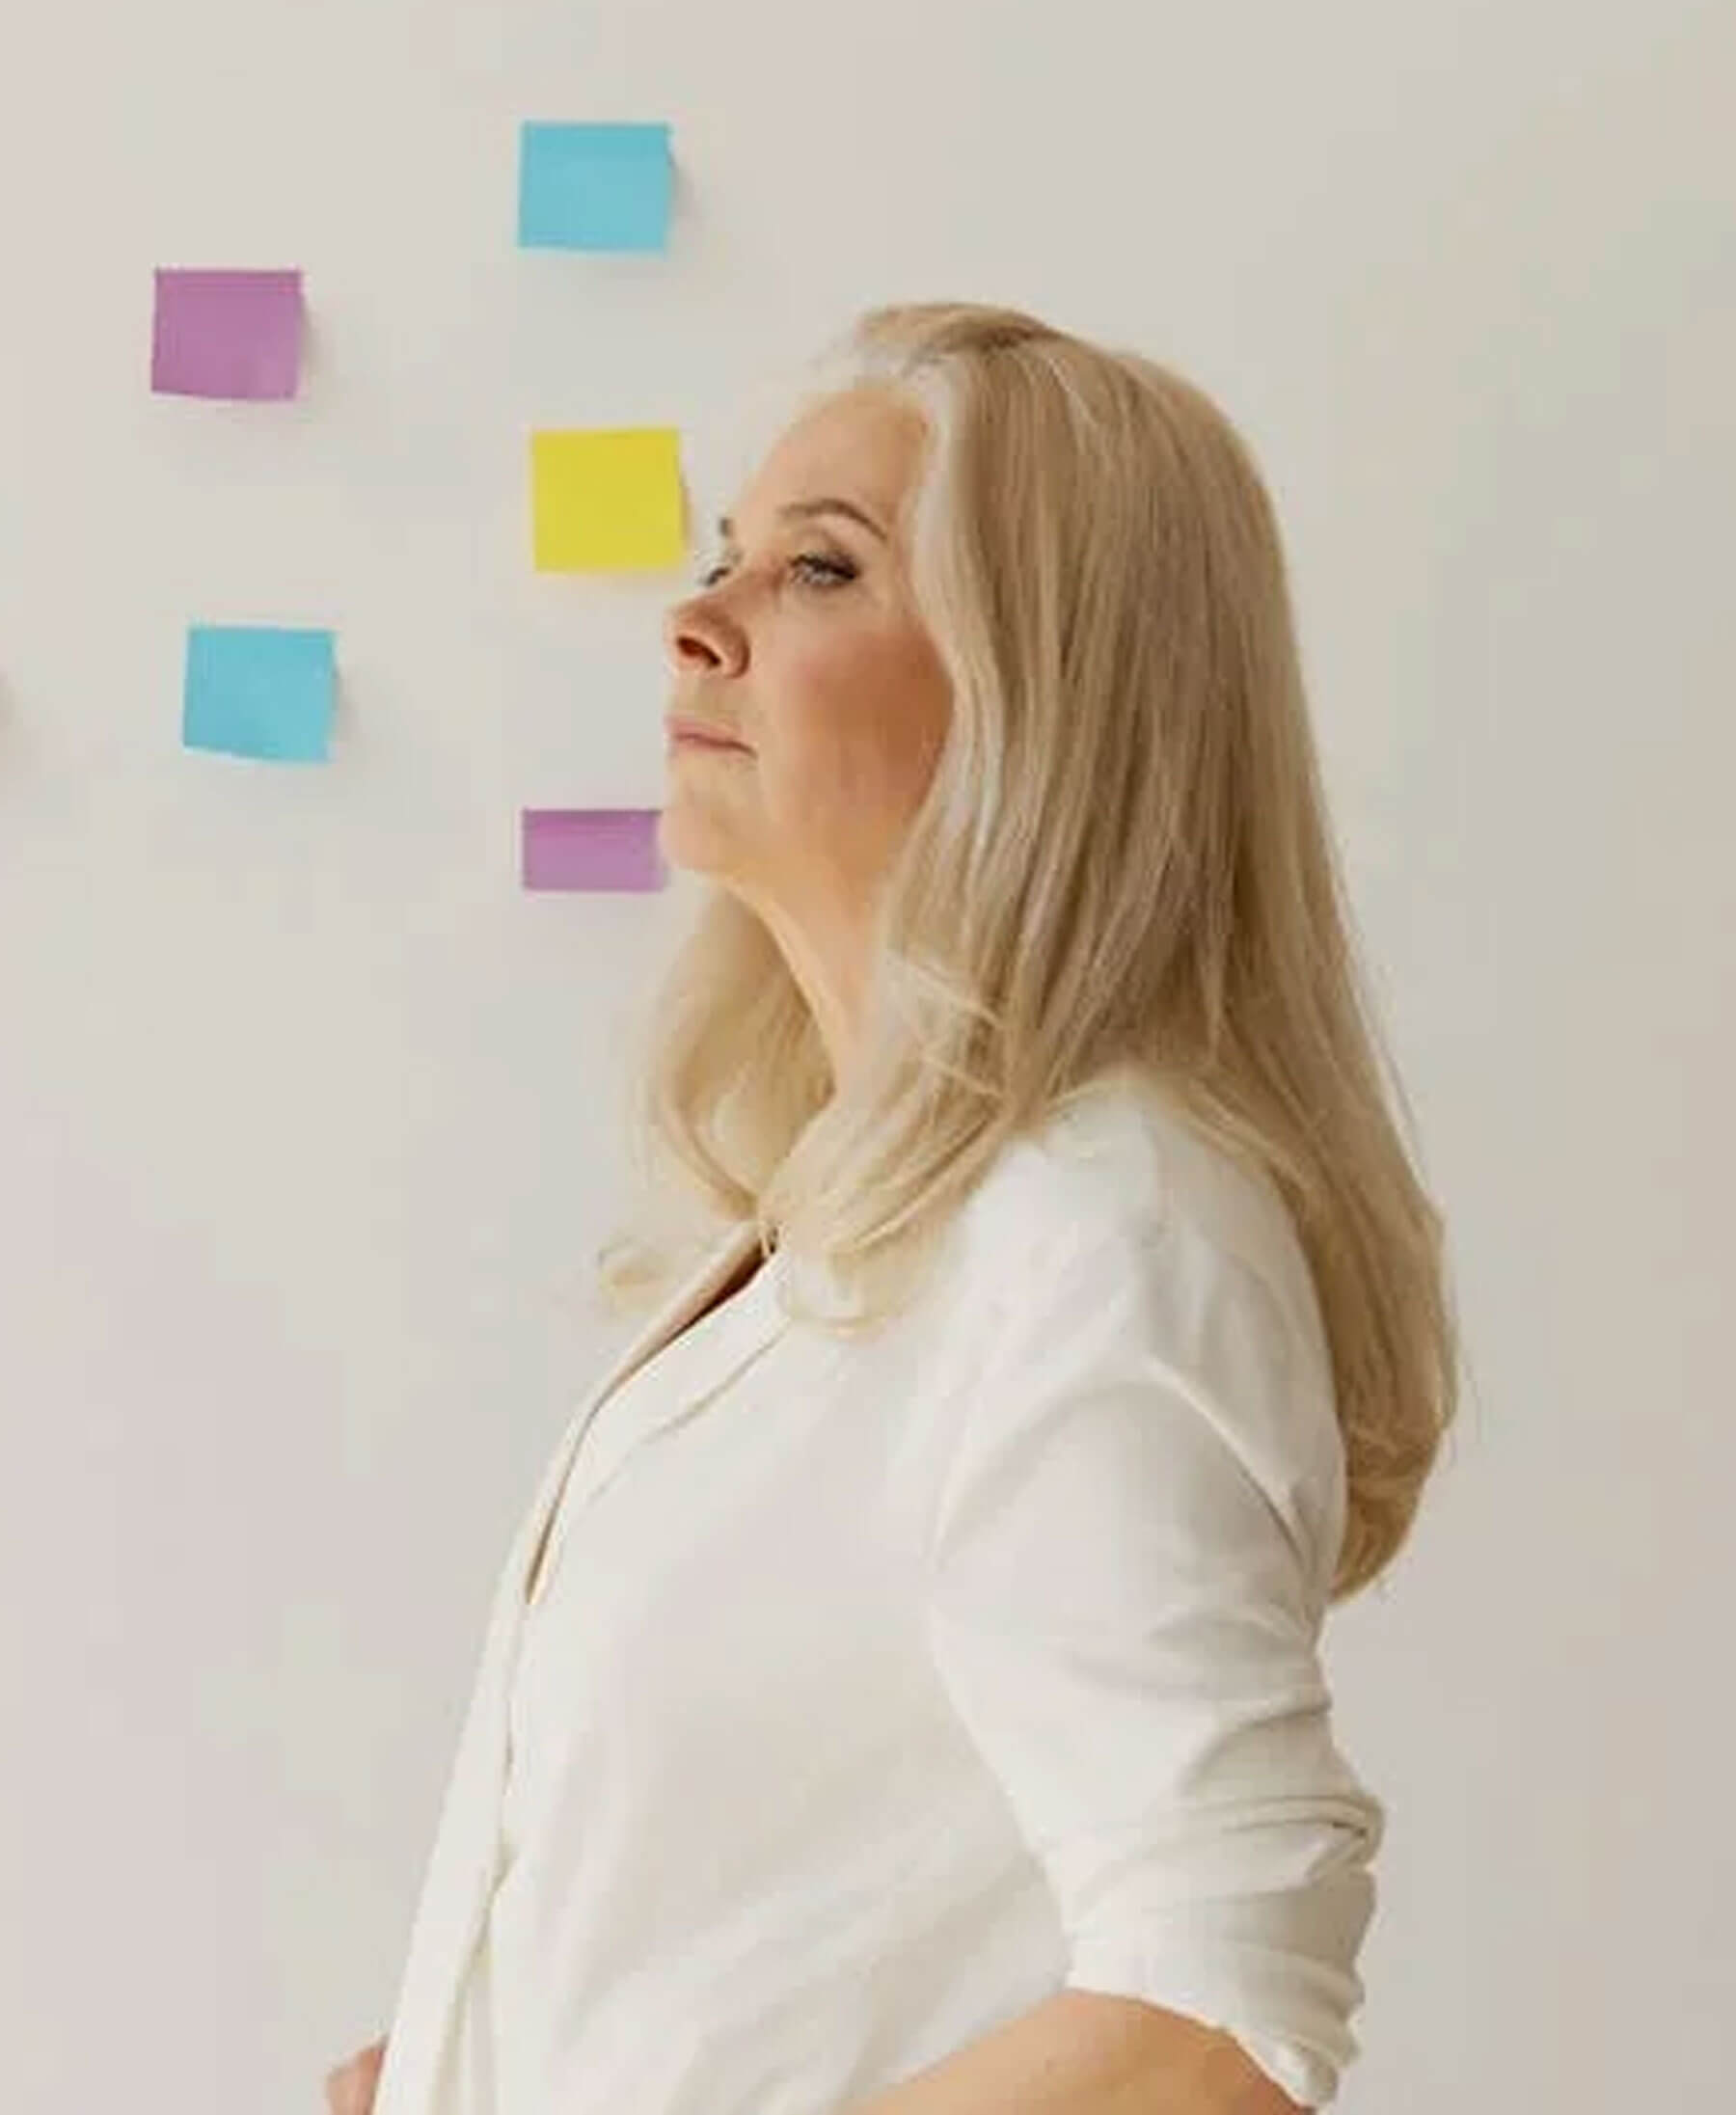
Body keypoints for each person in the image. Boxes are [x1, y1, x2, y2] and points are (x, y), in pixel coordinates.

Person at [329, 301, 1457, 2115]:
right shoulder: (862, 1223)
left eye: (818, 568)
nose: (699, 618)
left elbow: (1215, 2018)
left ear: (1046, 695)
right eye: (726, 554)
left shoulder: (1103, 1234)